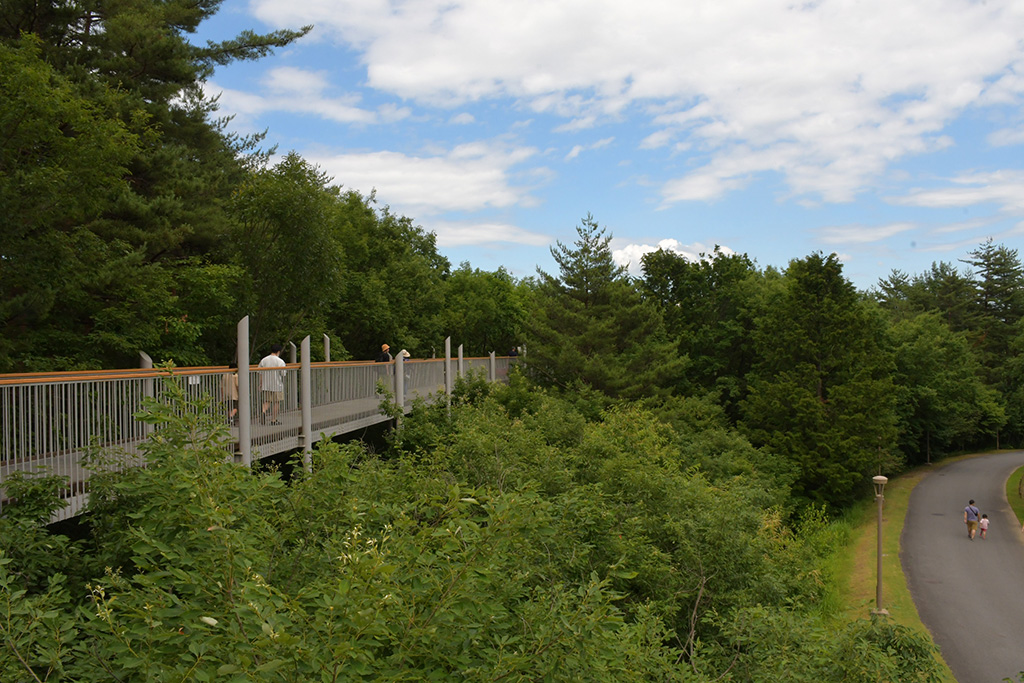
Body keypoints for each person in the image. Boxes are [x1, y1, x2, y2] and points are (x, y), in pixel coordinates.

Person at [258, 344, 286, 425]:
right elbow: (283, 373)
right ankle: (273, 419)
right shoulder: (280, 361)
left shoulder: (264, 360)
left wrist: (260, 384)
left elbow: (260, 373)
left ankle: (263, 412)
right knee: (276, 402)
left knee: (267, 401)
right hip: (277, 385)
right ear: (278, 352)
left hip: (266, 385)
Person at [222, 361, 239, 425]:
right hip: (234, 394)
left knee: (229, 407)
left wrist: (222, 395)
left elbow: (222, 386)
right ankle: (231, 417)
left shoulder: (224, 375)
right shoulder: (235, 376)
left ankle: (230, 419)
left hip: (226, 394)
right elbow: (237, 385)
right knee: (235, 407)